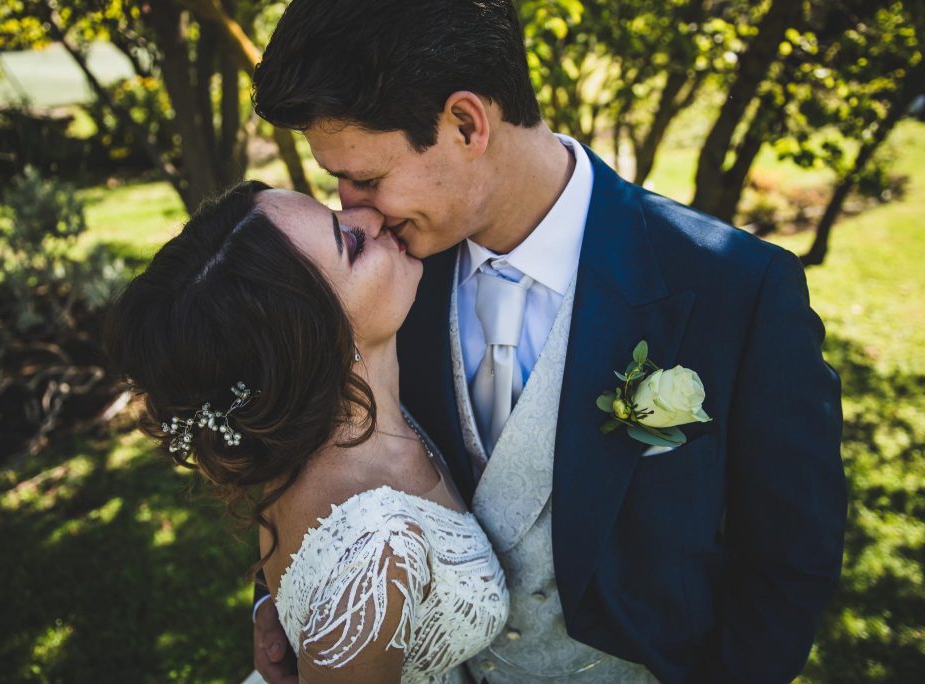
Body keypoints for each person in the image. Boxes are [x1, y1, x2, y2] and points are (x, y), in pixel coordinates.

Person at [249, 1, 847, 683]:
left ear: (467, 123)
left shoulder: (735, 290)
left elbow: (787, 562)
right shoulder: (378, 282)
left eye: (368, 178)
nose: (352, 210)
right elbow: (310, 450)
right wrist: (287, 590)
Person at [103, 181, 509, 684]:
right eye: (352, 245)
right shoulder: (372, 552)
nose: (372, 216)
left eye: (335, 213)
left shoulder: (304, 436)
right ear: (316, 342)